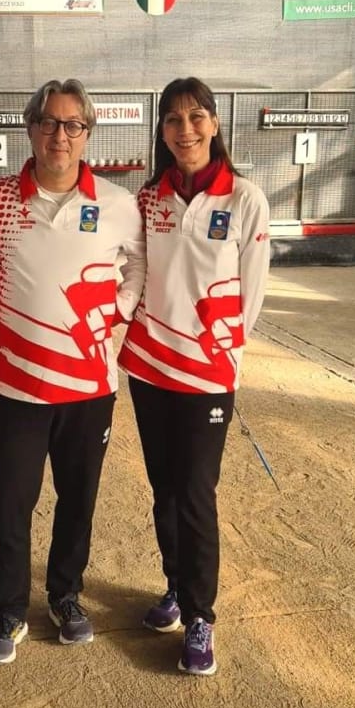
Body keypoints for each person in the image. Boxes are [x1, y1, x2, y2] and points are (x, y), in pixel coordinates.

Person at [0, 78, 145, 664]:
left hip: (90, 389)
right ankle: (9, 608)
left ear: (88, 133)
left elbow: (138, 266)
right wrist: (0, 305)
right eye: (49, 122)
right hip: (19, 387)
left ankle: (65, 595)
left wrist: (118, 311)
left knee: (78, 499)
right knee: (10, 505)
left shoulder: (119, 205)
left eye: (73, 124)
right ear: (31, 128)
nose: (60, 135)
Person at [118, 77, 270, 676]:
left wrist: (223, 359)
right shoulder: (148, 199)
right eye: (174, 119)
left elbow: (250, 297)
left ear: (214, 122)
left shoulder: (245, 199)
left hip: (207, 375)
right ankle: (177, 588)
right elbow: (135, 272)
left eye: (196, 116)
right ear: (162, 131)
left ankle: (201, 617)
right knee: (164, 488)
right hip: (150, 368)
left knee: (196, 492)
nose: (186, 129)